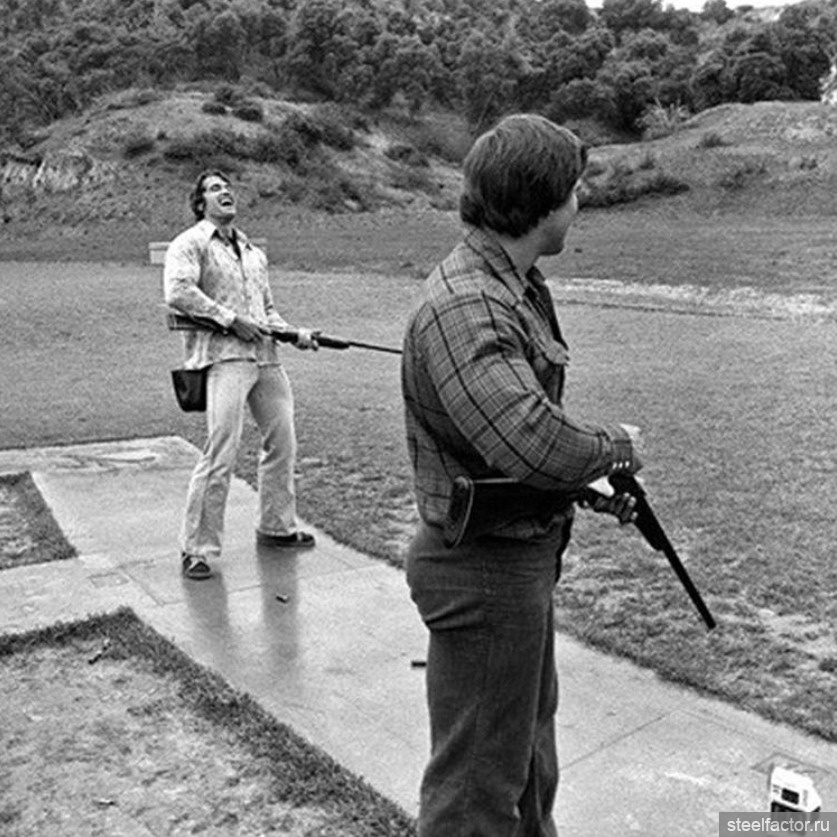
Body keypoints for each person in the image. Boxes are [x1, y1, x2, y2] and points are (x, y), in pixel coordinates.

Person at [401, 114, 644, 836]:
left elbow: (510, 437)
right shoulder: (468, 303)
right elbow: (530, 437)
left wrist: (588, 485)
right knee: (476, 786)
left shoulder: (510, 283)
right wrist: (614, 448)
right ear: (539, 202)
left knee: (524, 758)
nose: (580, 202)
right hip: (483, 570)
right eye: (573, 189)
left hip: (512, 559)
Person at [164, 169, 317, 581]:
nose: (225, 192)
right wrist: (231, 320)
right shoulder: (190, 243)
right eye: (215, 189)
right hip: (225, 357)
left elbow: (266, 311)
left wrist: (295, 333)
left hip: (265, 356)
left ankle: (276, 526)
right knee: (221, 451)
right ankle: (196, 549)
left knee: (282, 440)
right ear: (201, 204)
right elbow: (177, 291)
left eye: (227, 187)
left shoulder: (252, 251)